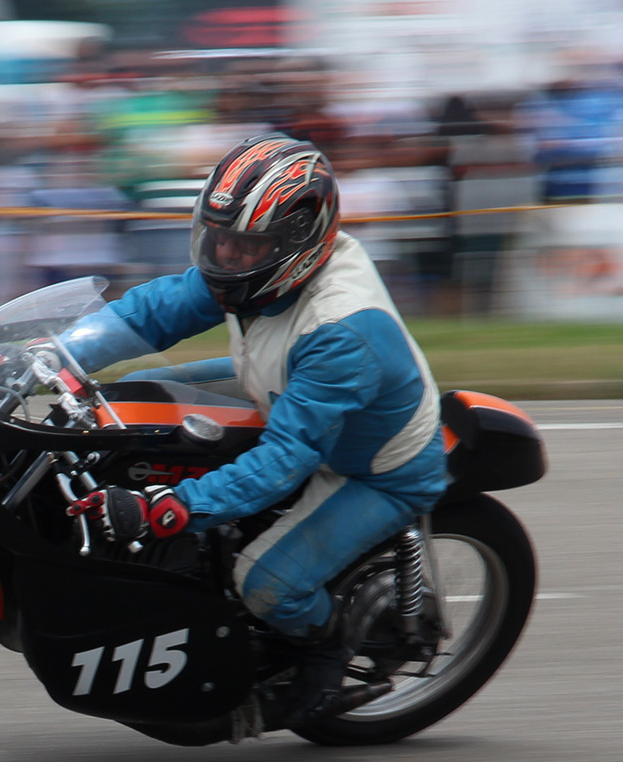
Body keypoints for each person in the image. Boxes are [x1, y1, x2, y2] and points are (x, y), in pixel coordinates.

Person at [64, 132, 446, 725]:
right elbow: (155, 309)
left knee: (266, 586)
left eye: (242, 247)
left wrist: (170, 507)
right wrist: (56, 355)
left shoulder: (341, 330)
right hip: (278, 386)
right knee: (130, 402)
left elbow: (285, 460)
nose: (224, 258)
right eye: (215, 240)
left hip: (368, 466)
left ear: (296, 245)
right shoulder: (252, 270)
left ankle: (323, 649)